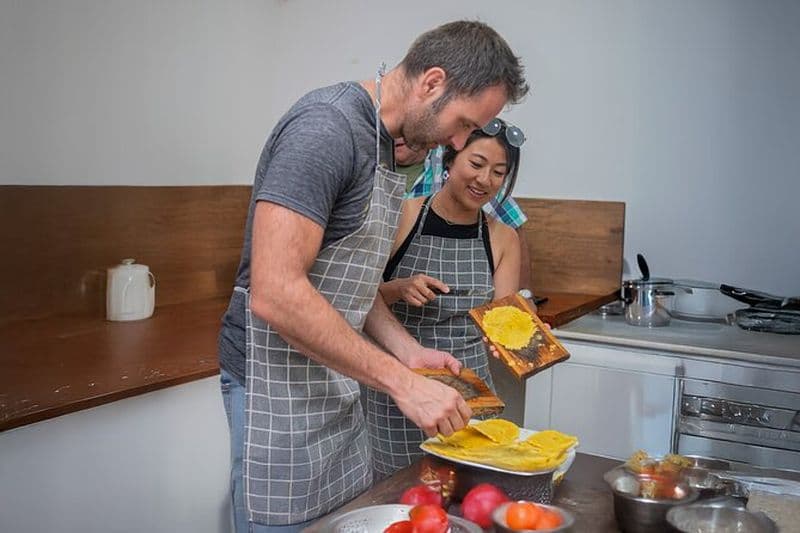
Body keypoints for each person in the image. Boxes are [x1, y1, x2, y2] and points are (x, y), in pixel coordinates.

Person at [217, 20, 529, 532]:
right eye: (463, 125)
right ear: (432, 82)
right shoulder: (326, 130)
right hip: (276, 386)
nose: (457, 141)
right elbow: (276, 293)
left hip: (335, 381)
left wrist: (409, 351)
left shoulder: (390, 147)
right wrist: (402, 382)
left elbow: (348, 281)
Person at [367, 118, 526, 479]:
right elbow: (357, 298)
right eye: (476, 164)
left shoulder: (503, 239)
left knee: (470, 497)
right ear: (449, 160)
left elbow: (500, 324)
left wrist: (526, 332)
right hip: (401, 395)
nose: (485, 180)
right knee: (402, 497)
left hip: (471, 396)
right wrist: (397, 289)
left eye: (499, 172)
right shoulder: (402, 215)